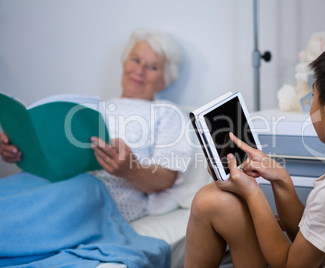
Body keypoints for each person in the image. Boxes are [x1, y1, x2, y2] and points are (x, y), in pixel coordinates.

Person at [184, 32, 325, 267]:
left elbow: (288, 264)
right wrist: (281, 180)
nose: (310, 104)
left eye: (313, 96)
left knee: (207, 200)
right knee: (216, 200)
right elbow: (309, 232)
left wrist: (253, 193)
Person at [0, 28, 192, 222]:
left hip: (99, 194)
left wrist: (130, 169)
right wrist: (19, 145)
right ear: (125, 62)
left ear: (166, 80)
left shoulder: (167, 113)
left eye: (152, 67)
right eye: (135, 60)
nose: (139, 71)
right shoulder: (93, 108)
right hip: (51, 181)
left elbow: (167, 179)